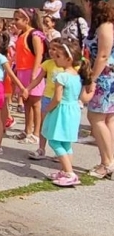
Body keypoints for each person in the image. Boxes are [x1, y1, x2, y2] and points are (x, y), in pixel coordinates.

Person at [40, 39, 94, 187]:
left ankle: (70, 173)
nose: (55, 59)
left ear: (68, 59)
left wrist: (47, 109)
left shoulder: (61, 76)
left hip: (61, 111)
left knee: (54, 140)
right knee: (66, 142)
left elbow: (57, 98)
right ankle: (65, 170)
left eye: (58, 57)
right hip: (73, 110)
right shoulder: (77, 76)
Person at [82, 0, 114, 179]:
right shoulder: (104, 25)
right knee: (108, 118)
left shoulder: (105, 26)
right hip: (107, 77)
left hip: (103, 78)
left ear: (90, 3)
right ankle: (108, 159)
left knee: (96, 118)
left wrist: (92, 79)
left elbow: (103, 55)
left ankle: (107, 163)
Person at [13, 8, 47, 146]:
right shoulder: (22, 34)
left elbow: (39, 54)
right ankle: (27, 130)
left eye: (17, 19)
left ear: (26, 20)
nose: (14, 22)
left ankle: (36, 133)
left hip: (33, 71)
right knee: (26, 102)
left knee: (35, 103)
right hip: (22, 71)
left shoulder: (35, 35)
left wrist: (35, 72)